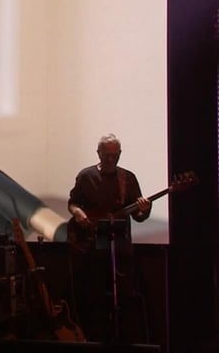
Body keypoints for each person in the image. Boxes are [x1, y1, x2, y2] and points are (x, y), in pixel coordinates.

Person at [65, 133, 151, 344]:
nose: (111, 159)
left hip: (119, 251)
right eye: (106, 155)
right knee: (92, 299)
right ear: (99, 154)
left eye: (115, 155)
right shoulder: (86, 176)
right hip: (89, 250)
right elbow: (73, 203)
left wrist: (145, 209)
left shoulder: (127, 179)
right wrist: (77, 213)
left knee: (123, 298)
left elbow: (139, 217)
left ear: (119, 154)